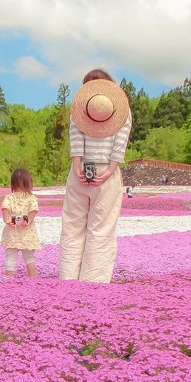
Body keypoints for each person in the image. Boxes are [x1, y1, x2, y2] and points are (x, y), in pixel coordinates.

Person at [59, 69, 132, 283]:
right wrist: (110, 170)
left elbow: (75, 138)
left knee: (72, 227)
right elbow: (120, 143)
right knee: (101, 229)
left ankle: (68, 279)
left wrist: (76, 165)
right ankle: (94, 284)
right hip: (106, 174)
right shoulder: (122, 109)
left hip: (79, 170)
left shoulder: (79, 107)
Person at [1, 168, 41, 278]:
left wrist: (8, 220)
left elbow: (5, 210)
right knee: (29, 257)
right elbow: (33, 211)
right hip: (27, 233)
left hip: (12, 232)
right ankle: (32, 278)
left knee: (11, 257)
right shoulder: (31, 198)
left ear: (13, 183)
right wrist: (27, 220)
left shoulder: (9, 197)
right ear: (29, 183)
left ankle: (8, 279)